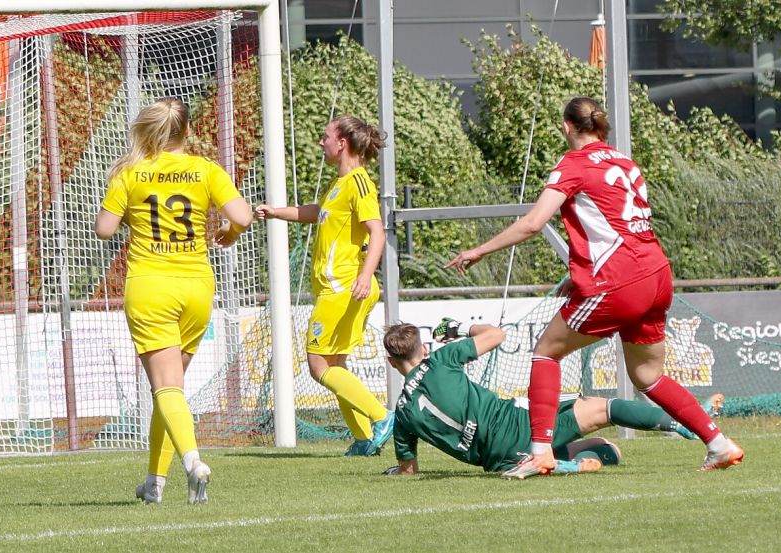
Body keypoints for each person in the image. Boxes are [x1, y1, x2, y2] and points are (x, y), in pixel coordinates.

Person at [445, 97, 743, 478]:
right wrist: (580, 271)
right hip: (656, 275)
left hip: (618, 281)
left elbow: (535, 223)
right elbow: (616, 225)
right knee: (649, 377)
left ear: (566, 126)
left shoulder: (573, 164)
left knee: (545, 352)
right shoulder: (624, 162)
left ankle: (540, 454)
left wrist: (479, 250)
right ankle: (719, 444)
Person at [95, 97, 252, 504]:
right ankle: (154, 482)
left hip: (151, 286)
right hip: (196, 287)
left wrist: (130, 211)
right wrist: (229, 234)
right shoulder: (205, 169)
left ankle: (193, 461)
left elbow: (104, 230)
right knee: (170, 390)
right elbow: (244, 216)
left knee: (166, 388)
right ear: (187, 131)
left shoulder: (131, 171)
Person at [382, 320, 725, 476]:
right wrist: (455, 328)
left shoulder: (403, 414)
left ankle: (570, 465)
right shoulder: (442, 359)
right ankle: (686, 426)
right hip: (521, 426)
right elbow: (496, 335)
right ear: (424, 348)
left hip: (501, 459)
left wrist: (397, 471)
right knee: (603, 408)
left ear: (391, 362)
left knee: (610, 450)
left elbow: (409, 469)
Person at [255, 115, 394, 456]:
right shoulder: (339, 184)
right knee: (335, 366)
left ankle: (382, 416)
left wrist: (365, 275)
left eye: (325, 137)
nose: (321, 142)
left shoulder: (360, 183)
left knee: (318, 365)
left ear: (342, 142)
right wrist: (276, 213)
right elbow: (316, 212)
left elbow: (376, 231)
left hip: (344, 287)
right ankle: (364, 439)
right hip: (339, 287)